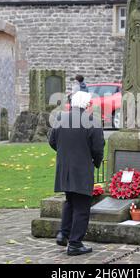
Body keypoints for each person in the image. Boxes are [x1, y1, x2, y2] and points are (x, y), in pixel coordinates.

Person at [49, 91, 105, 256]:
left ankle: (63, 233)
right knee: (81, 206)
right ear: (88, 105)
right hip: (82, 169)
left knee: (70, 201)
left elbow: (52, 141)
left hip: (64, 168)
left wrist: (64, 154)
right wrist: (95, 162)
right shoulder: (92, 121)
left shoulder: (60, 117)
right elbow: (98, 148)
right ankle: (74, 243)